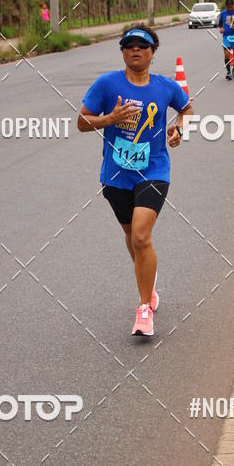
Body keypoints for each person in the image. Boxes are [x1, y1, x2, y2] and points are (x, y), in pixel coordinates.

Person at [77, 23, 194, 337]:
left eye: (142, 45)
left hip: (154, 171)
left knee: (141, 236)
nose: (135, 50)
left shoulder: (166, 87)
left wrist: (179, 129)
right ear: (123, 52)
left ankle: (144, 309)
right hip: (115, 176)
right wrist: (109, 119)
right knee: (132, 238)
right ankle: (149, 282)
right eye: (129, 45)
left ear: (152, 52)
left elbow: (187, 109)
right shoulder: (106, 84)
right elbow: (82, 122)